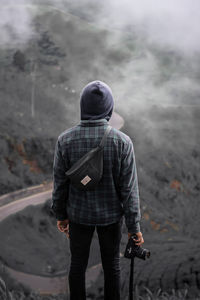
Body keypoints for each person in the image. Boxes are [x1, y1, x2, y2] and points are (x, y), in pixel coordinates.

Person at [51, 80, 144, 300]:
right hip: (111, 217)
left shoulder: (65, 140)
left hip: (78, 216)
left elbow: (59, 184)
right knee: (112, 265)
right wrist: (134, 227)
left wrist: (61, 216)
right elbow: (129, 190)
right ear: (108, 108)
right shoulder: (123, 142)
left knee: (77, 265)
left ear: (83, 106)